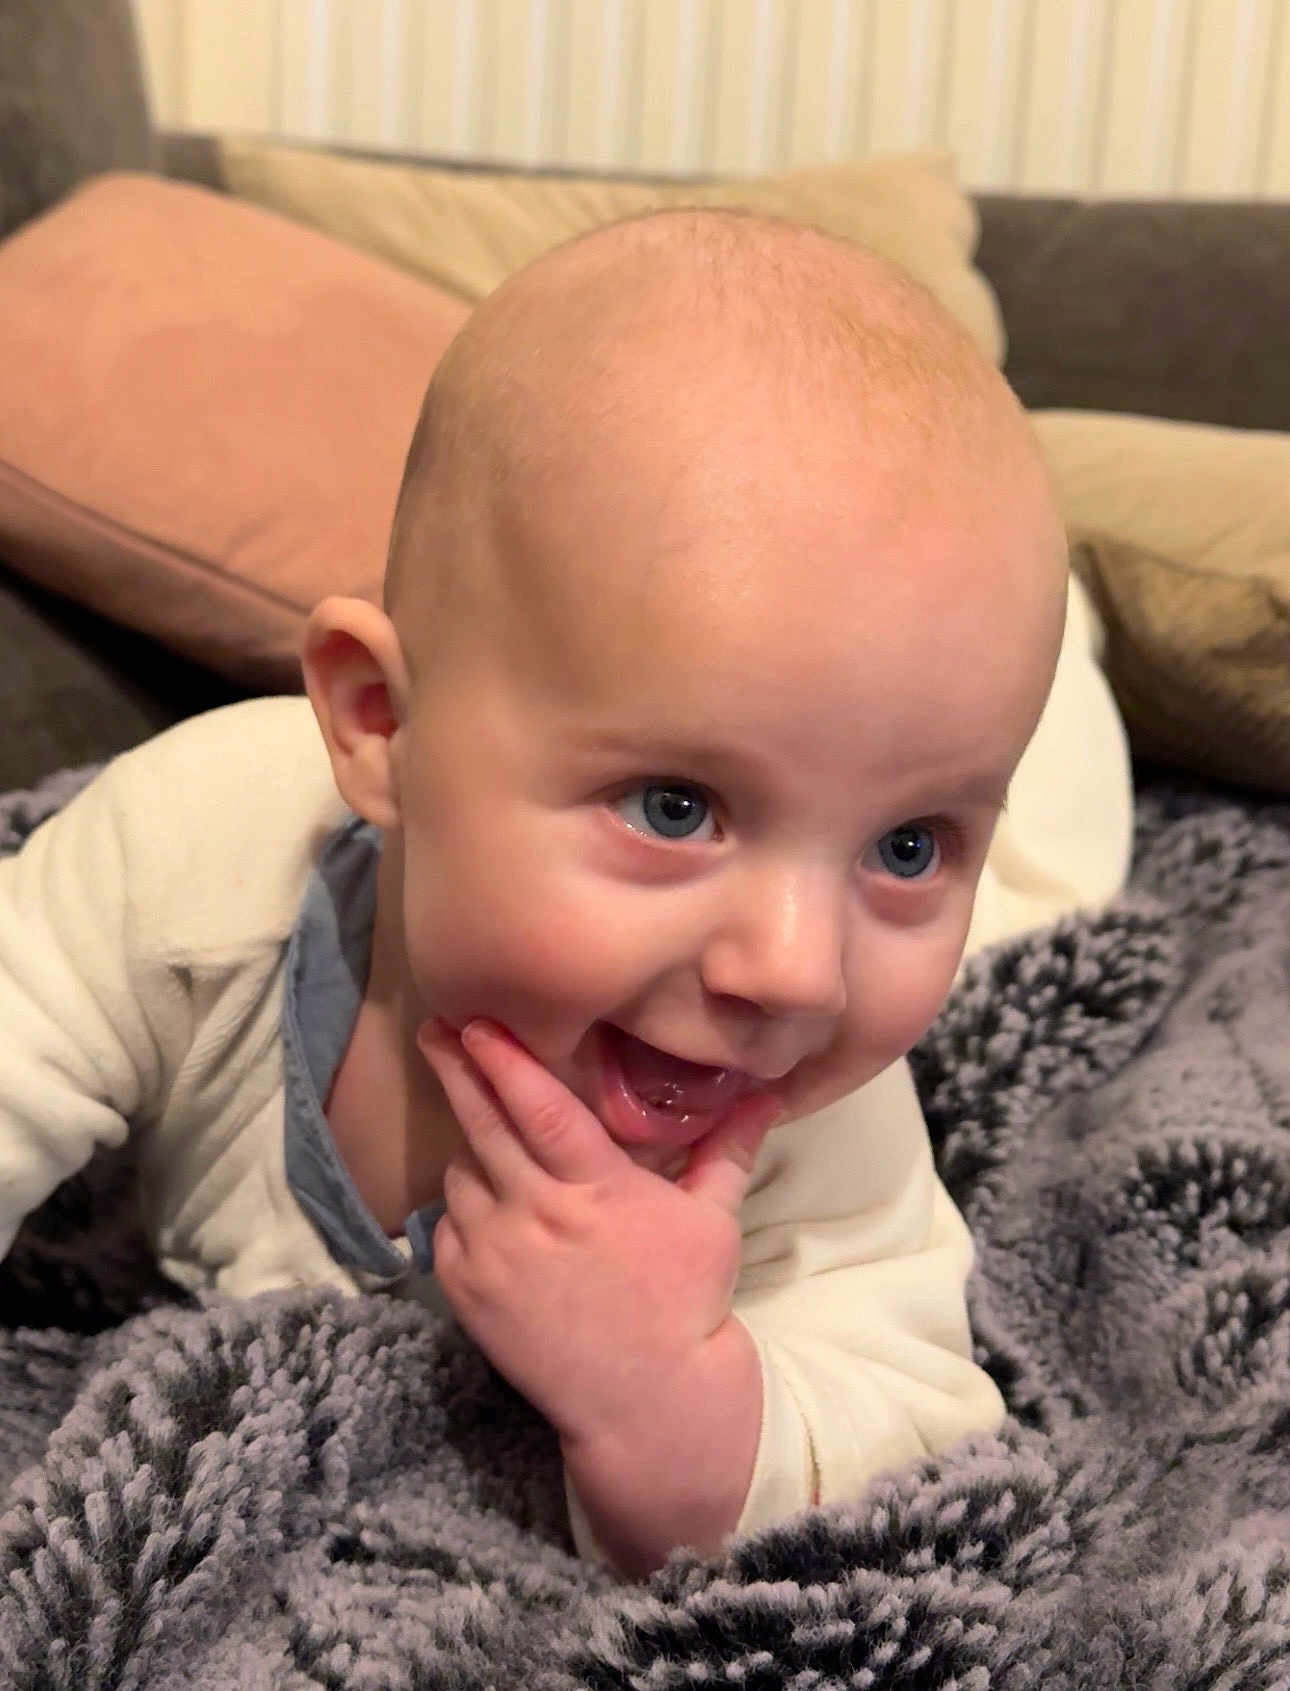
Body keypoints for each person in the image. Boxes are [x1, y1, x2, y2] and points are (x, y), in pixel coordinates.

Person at [0, 210, 1131, 1577]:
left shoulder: (817, 1120)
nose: (793, 970)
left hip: (1005, 854)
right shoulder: (197, 853)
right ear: (378, 727)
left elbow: (920, 1454)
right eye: (675, 807)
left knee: (1049, 878)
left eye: (904, 848)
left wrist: (674, 1403)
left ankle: (1054, 673)